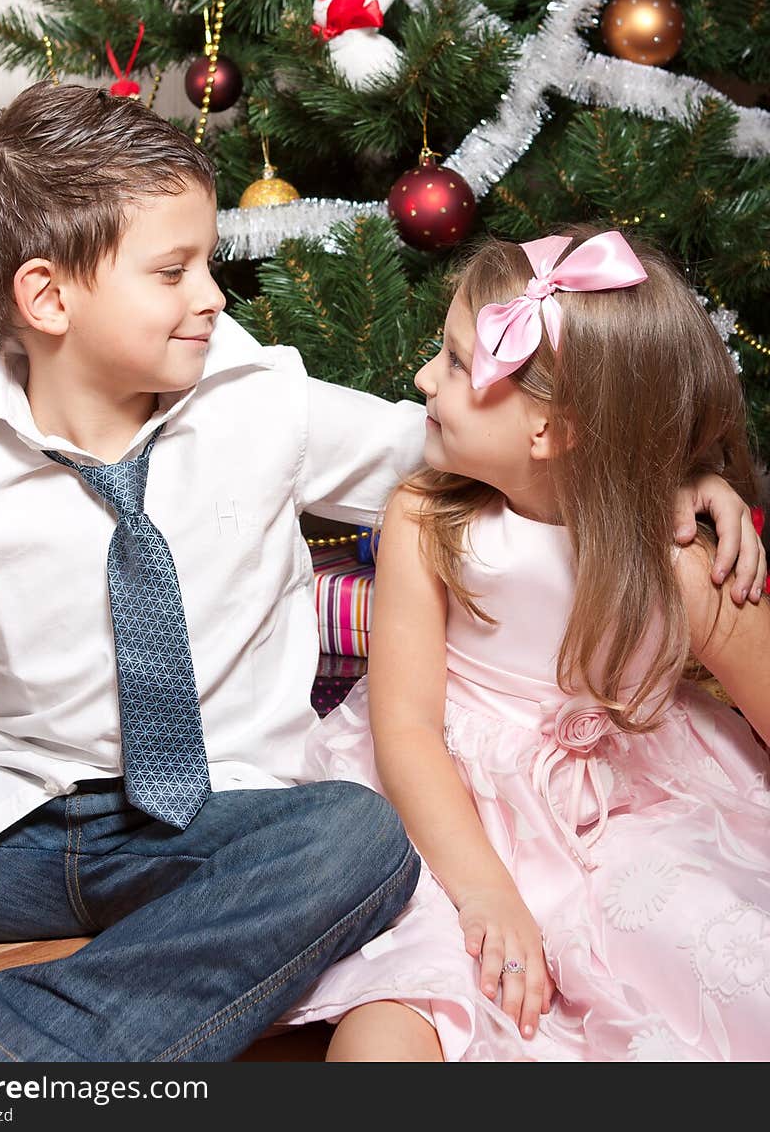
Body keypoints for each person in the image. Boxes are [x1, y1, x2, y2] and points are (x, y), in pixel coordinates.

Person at [0, 90, 759, 1064]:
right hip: (13, 823)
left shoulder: (263, 403)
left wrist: (674, 479)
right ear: (49, 298)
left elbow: (482, 447)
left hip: (235, 827)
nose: (214, 294)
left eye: (206, 261)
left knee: (360, 839)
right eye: (174, 270)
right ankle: (115, 992)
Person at [281, 225, 770, 1062]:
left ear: (551, 429)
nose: (424, 377)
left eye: (458, 363)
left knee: (712, 954)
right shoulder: (427, 520)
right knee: (396, 1016)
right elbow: (405, 731)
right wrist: (486, 893)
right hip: (449, 814)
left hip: (635, 809)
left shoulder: (681, 558)